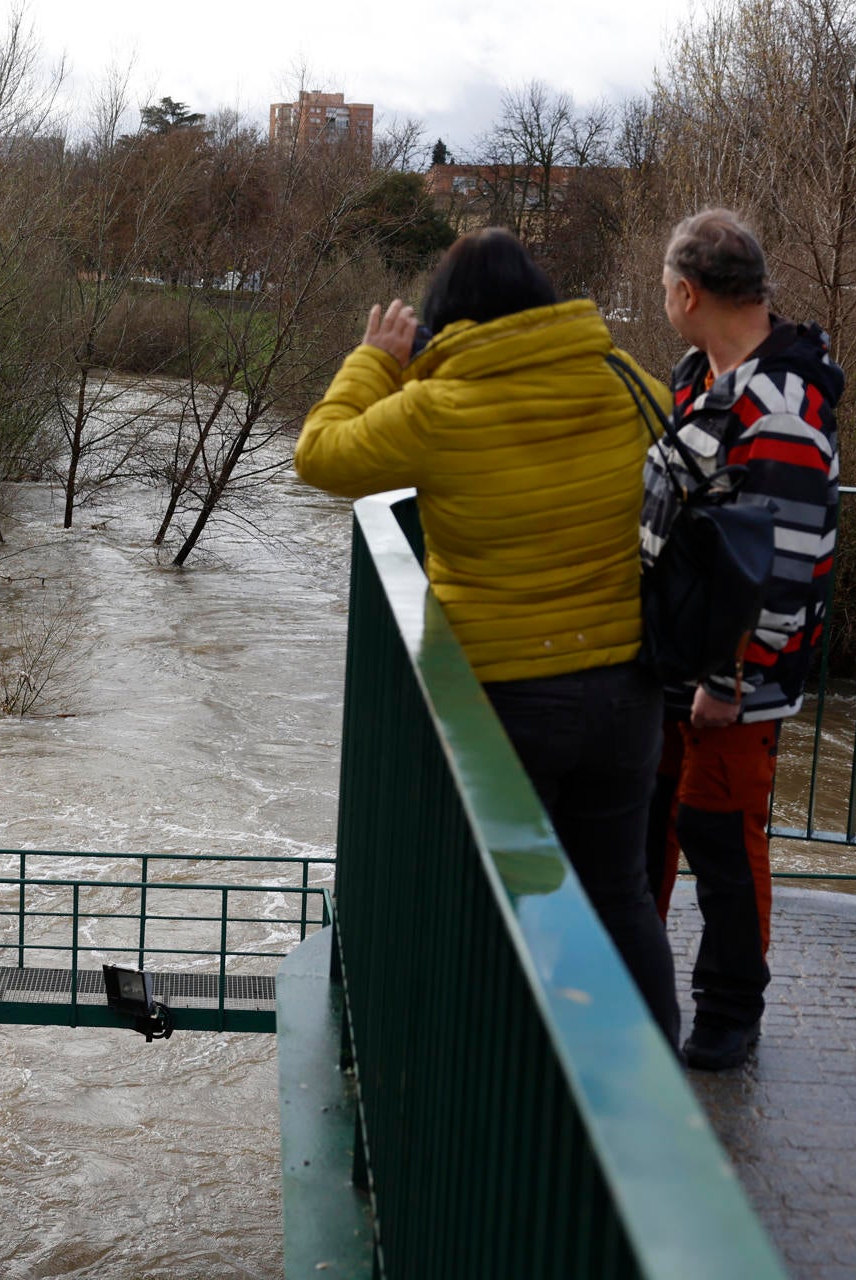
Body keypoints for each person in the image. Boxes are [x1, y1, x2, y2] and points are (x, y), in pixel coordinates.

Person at [295, 228, 681, 1044]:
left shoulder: (437, 407)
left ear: (446, 317)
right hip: (625, 688)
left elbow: (320, 455)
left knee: (503, 896)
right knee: (618, 890)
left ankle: (519, 1071)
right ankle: (652, 1071)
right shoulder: (624, 382)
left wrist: (375, 359)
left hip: (505, 701)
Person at [641, 209, 843, 1071]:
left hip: (733, 679)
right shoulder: (702, 376)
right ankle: (633, 984)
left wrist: (730, 679)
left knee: (719, 831)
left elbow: (784, 559)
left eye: (662, 290)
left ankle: (729, 1010)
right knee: (653, 820)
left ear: (687, 293)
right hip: (676, 659)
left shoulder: (785, 404)